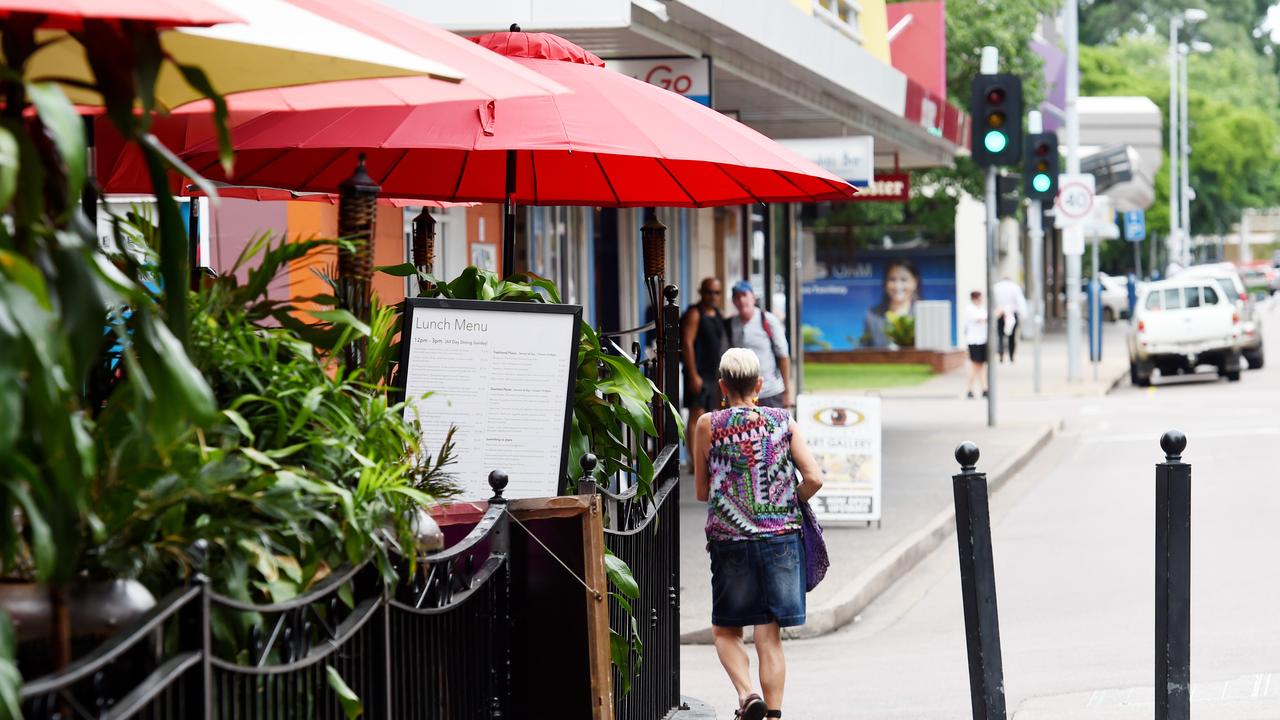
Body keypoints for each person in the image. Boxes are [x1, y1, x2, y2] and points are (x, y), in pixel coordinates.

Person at [694, 348, 824, 720]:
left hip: (731, 542)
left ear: (722, 385)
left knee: (726, 630)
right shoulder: (783, 420)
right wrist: (785, 501)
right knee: (769, 636)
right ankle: (774, 716)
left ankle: (747, 695)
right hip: (782, 540)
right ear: (759, 384)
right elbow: (814, 478)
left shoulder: (708, 425)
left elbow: (703, 491)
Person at [682, 278, 730, 459]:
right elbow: (687, 344)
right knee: (697, 415)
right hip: (697, 372)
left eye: (716, 292)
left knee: (711, 416)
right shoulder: (695, 314)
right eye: (709, 292)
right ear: (701, 292)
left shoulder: (718, 315)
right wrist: (693, 374)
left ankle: (707, 457)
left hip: (713, 374)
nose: (712, 296)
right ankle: (695, 462)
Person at [727, 281, 792, 410]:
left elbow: (783, 355)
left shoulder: (768, 320)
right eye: (737, 297)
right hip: (743, 394)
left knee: (773, 429)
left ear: (753, 297)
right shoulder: (730, 324)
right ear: (733, 301)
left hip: (770, 391)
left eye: (744, 295)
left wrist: (787, 391)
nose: (741, 300)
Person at [861, 260, 921, 348]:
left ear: (915, 282)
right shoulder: (872, 316)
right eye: (892, 279)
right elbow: (865, 351)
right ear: (885, 283)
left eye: (904, 280)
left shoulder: (923, 315)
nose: (897, 286)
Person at [992, 275, 1028, 362]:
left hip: (1000, 313)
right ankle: (1011, 356)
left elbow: (993, 301)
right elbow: (1020, 301)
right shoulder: (1015, 287)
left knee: (1000, 335)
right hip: (1012, 313)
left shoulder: (996, 287)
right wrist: (1023, 314)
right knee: (1012, 336)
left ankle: (1001, 353)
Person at [965, 290, 989, 399]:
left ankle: (984, 388)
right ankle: (969, 389)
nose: (981, 300)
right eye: (979, 298)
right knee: (975, 366)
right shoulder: (970, 309)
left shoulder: (981, 309)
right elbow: (981, 319)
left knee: (981, 366)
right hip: (974, 341)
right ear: (974, 299)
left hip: (982, 340)